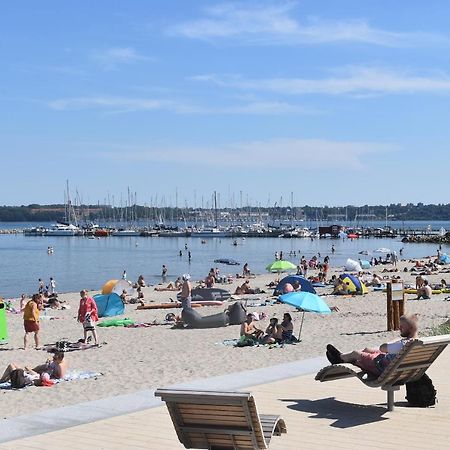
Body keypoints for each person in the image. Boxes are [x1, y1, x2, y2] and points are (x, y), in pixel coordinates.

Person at [326, 314, 419, 376]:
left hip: (381, 367)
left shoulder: (403, 344)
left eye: (402, 326)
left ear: (410, 328)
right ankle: (345, 357)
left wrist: (395, 340)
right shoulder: (418, 341)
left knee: (355, 353)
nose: (400, 328)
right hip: (396, 367)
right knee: (367, 349)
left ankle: (339, 358)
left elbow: (383, 348)